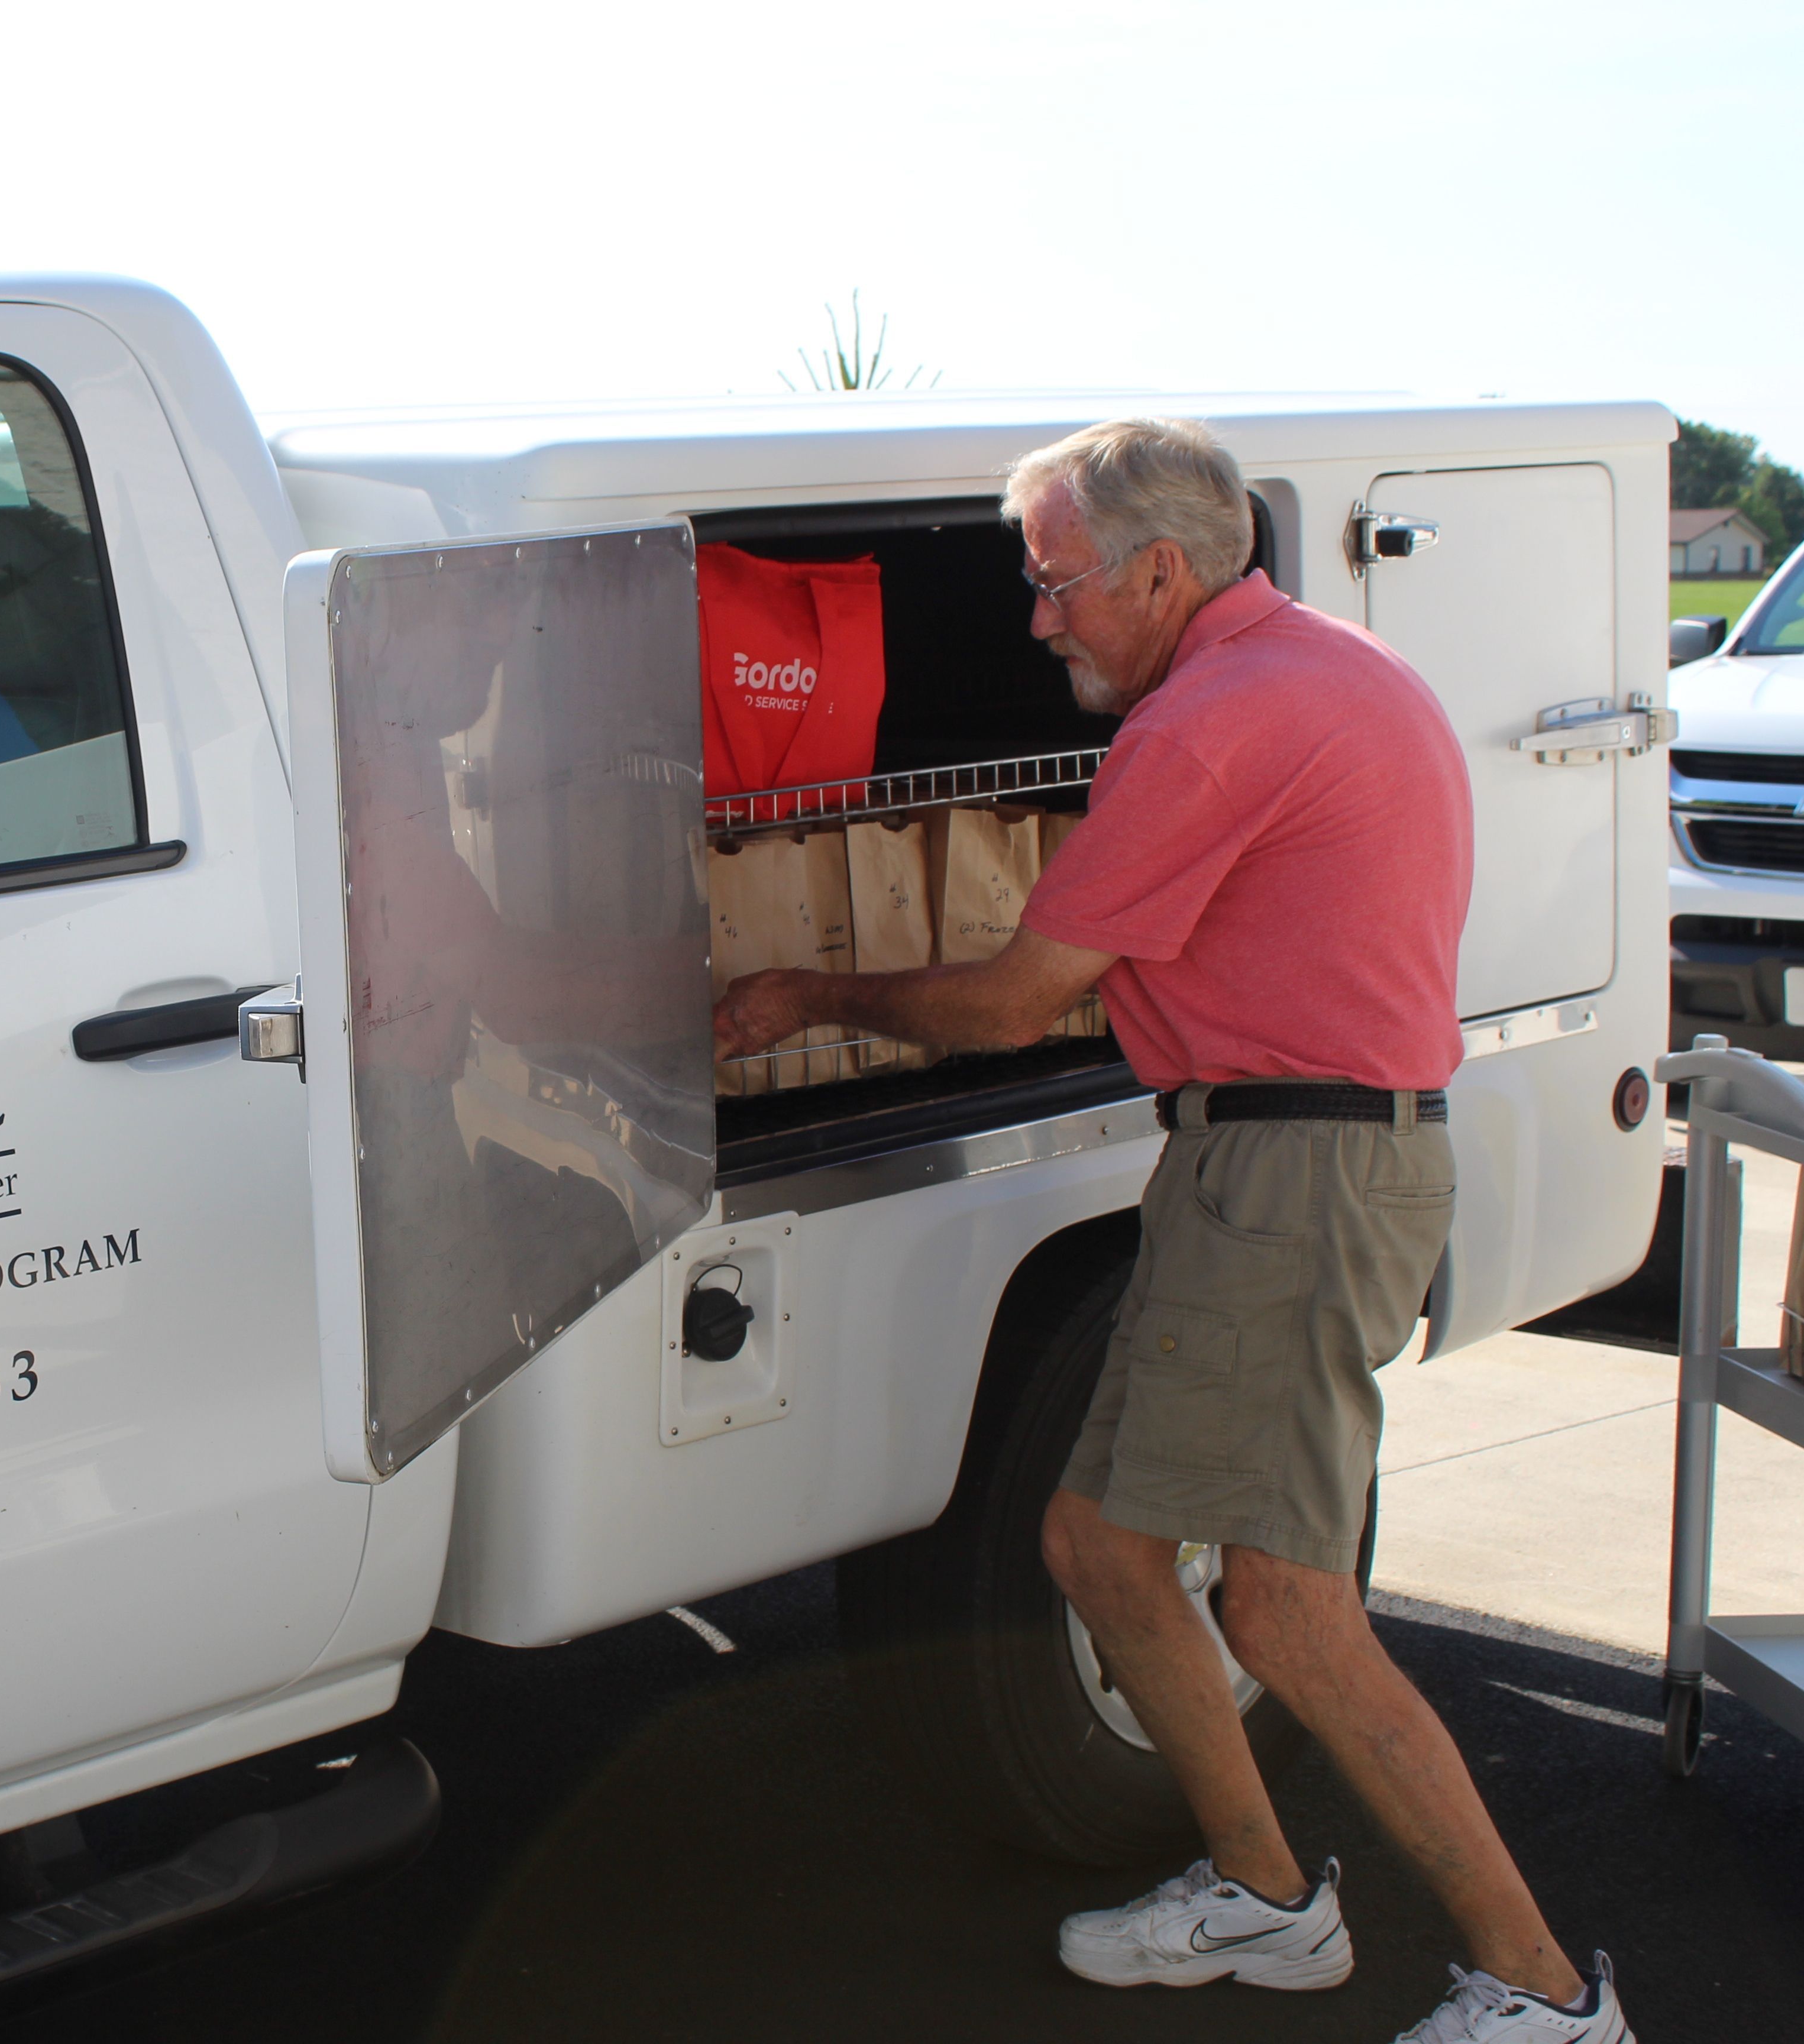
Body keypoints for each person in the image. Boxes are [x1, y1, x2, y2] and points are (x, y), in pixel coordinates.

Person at [711, 418, 1634, 2043]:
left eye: (1057, 582)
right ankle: (1268, 1896)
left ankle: (1543, 1992)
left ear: (1155, 571)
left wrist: (800, 993)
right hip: (1267, 1168)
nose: (1037, 618)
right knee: (1100, 1549)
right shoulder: (1337, 671)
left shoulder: (1209, 725)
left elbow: (1010, 1000)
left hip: (1296, 1183)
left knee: (1288, 1612)